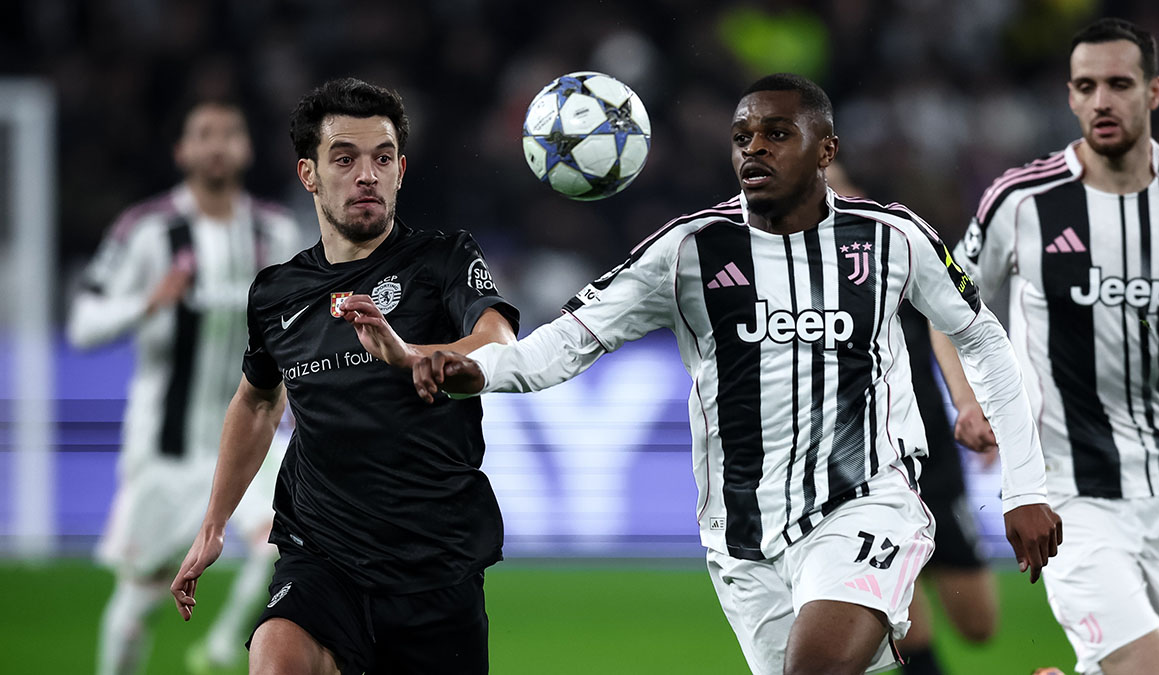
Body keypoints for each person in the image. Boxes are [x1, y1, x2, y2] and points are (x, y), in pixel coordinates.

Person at [347, 73, 1062, 675]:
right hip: (742, 536)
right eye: (743, 136)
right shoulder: (688, 251)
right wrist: (454, 365)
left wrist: (1025, 488)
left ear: (827, 149)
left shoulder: (890, 238)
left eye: (777, 133)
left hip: (867, 503)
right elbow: (558, 347)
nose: (755, 148)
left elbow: (983, 339)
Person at [169, 77, 519, 675]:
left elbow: (498, 341)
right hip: (320, 553)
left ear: (400, 171)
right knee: (276, 656)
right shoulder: (276, 293)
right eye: (345, 158)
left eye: (382, 159)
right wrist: (213, 524)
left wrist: (409, 354)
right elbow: (258, 402)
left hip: (435, 563)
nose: (367, 175)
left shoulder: (443, 259)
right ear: (308, 174)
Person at [935, 17, 1159, 675]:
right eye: (1086, 86)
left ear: (1153, 92)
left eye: (1119, 84)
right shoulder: (1023, 200)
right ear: (1071, 96)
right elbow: (945, 306)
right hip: (1069, 493)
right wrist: (967, 399)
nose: (1101, 100)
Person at [67, 99, 301, 675]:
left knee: (288, 548)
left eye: (229, 133)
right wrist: (147, 303)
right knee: (139, 596)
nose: (217, 144)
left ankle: (222, 648)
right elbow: (83, 325)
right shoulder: (147, 230)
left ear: (246, 149)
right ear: (182, 150)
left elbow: (298, 324)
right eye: (203, 134)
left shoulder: (274, 231)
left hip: (250, 434)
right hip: (166, 448)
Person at [826, 163, 999, 675]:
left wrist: (968, 403)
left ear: (860, 190)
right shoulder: (789, 267)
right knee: (902, 614)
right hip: (859, 462)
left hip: (932, 455)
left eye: (834, 182)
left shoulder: (892, 248)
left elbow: (947, 324)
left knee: (979, 625)